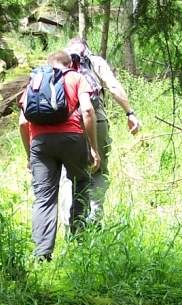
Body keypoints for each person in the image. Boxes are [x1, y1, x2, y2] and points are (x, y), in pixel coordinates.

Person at [19, 50, 100, 260]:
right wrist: (93, 147)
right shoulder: (75, 77)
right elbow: (88, 111)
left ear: (49, 64)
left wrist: (30, 154)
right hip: (71, 138)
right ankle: (78, 240)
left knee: (44, 198)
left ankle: (42, 254)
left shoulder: (35, 80)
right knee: (80, 182)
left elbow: (22, 122)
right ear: (70, 64)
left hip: (39, 142)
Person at [60, 37, 141, 223]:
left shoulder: (59, 64)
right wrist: (130, 113)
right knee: (97, 170)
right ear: (86, 48)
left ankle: (70, 224)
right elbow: (112, 86)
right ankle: (94, 219)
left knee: (68, 175)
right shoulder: (95, 61)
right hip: (95, 119)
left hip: (65, 124)